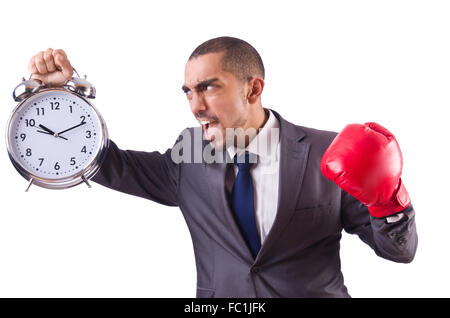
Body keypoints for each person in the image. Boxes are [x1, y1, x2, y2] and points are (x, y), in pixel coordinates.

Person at [28, 36, 417, 298]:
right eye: (188, 92)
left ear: (252, 88)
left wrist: (390, 198)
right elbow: (109, 164)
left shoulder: (325, 151)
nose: (195, 106)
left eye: (209, 87)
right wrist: (61, 96)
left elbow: (399, 252)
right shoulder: (189, 153)